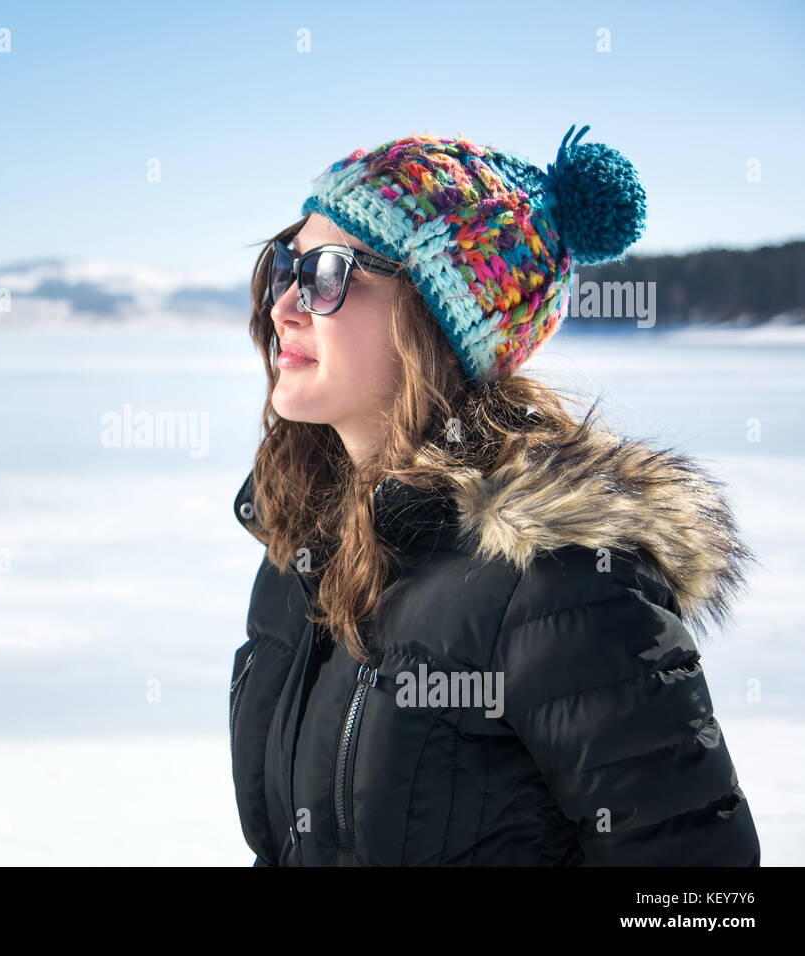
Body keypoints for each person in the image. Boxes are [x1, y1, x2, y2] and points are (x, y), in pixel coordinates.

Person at [228, 125, 761, 866]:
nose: (286, 303)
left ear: (436, 320)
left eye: (326, 272)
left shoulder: (560, 584)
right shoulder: (305, 544)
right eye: (284, 264)